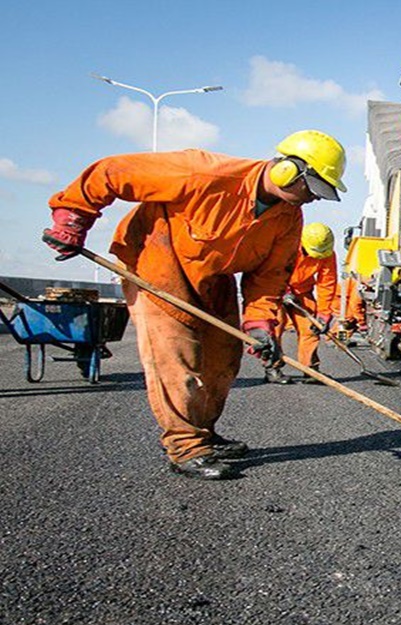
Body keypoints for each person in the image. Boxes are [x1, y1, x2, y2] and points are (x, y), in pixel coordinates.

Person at [42, 130, 348, 480]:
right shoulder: (203, 173)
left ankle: (204, 431)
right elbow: (112, 173)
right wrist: (73, 218)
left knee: (224, 358)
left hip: (215, 276)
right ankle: (185, 445)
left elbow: (269, 276)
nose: (313, 200)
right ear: (287, 171)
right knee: (176, 357)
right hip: (157, 262)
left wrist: (260, 324)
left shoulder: (288, 218)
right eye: (312, 189)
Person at [265, 222, 340, 384]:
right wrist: (283, 290)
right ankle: (273, 368)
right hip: (276, 290)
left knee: (311, 329)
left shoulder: (327, 253)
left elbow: (327, 282)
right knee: (274, 328)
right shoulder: (287, 244)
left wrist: (324, 314)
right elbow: (272, 269)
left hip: (303, 291)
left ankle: (310, 369)